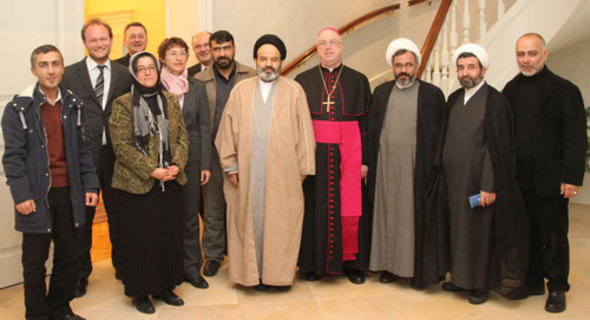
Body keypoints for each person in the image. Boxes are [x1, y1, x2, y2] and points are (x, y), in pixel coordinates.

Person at [2, 44, 99, 320]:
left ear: (62, 67)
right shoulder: (19, 108)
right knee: (34, 263)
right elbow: (13, 157)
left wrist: (91, 185)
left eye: (56, 64)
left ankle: (60, 308)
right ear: (34, 70)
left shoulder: (73, 104)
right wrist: (21, 195)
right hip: (36, 196)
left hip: (70, 193)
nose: (51, 70)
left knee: (69, 255)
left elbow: (83, 150)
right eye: (44, 65)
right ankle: (36, 314)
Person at [215, 34, 316, 291]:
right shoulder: (240, 90)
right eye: (263, 59)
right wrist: (230, 165)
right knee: (245, 223)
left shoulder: (294, 90)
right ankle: (249, 275)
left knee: (280, 225)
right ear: (255, 60)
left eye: (274, 59)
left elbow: (305, 134)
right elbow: (226, 132)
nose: (268, 64)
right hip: (245, 174)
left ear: (281, 61)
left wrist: (302, 171)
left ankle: (277, 277)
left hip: (283, 174)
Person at [502, 33, 587, 313]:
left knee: (553, 236)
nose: (526, 60)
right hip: (519, 179)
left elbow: (575, 138)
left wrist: (572, 177)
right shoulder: (510, 90)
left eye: (531, 53)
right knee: (526, 234)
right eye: (521, 54)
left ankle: (558, 287)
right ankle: (533, 281)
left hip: (551, 179)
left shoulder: (565, 90)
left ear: (545, 54)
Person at [440, 43, 527, 304]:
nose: (465, 73)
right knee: (457, 230)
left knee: (479, 232)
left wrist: (489, 185)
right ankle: (459, 278)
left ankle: (479, 284)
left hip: (480, 184)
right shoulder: (454, 98)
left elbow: (497, 148)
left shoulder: (495, 101)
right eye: (461, 67)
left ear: (483, 69)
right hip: (454, 181)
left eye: (471, 67)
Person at [109, 51, 188, 314]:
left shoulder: (169, 100)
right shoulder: (122, 104)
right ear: (134, 73)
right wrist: (152, 170)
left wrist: (177, 164)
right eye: (140, 68)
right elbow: (121, 146)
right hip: (137, 185)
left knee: (167, 237)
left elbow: (182, 137)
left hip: (170, 182)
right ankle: (141, 292)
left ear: (157, 69)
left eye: (150, 67)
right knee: (141, 241)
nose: (146, 72)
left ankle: (165, 287)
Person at [367, 38, 448, 288]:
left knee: (411, 219)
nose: (404, 70)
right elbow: (371, 131)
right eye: (399, 65)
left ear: (417, 66)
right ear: (392, 66)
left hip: (417, 170)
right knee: (386, 217)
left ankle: (413, 268)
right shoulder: (380, 93)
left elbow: (441, 135)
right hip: (385, 169)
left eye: (408, 65)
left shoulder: (432, 95)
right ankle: (389, 266)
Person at [62, 18, 133, 297]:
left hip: (117, 156)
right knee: (82, 218)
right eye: (93, 40)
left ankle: (123, 265)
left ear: (111, 40)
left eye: (103, 39)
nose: (99, 44)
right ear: (85, 43)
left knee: (120, 215)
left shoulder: (124, 74)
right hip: (83, 157)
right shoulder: (69, 75)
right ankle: (80, 273)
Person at [295, 27, 371, 284]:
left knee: (350, 207)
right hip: (315, 154)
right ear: (316, 49)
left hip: (349, 155)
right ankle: (314, 264)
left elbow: (366, 125)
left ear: (341, 47)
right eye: (322, 44)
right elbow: (296, 125)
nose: (327, 48)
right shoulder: (302, 81)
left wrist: (364, 161)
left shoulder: (358, 80)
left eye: (332, 43)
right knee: (315, 206)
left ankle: (352, 264)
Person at [194, 30, 256, 277]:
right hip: (212, 153)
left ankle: (244, 252)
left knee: (244, 206)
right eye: (217, 49)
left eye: (226, 48)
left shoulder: (250, 75)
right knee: (213, 209)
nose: (222, 53)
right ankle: (213, 256)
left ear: (234, 48)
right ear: (210, 50)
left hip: (245, 153)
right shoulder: (199, 80)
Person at [158, 37, 212, 289]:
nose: (179, 58)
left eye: (183, 53)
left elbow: (203, 128)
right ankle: (168, 268)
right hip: (162, 164)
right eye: (173, 53)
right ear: (162, 58)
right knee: (166, 217)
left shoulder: (196, 87)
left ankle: (191, 268)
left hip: (191, 161)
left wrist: (204, 164)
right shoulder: (153, 85)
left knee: (190, 217)